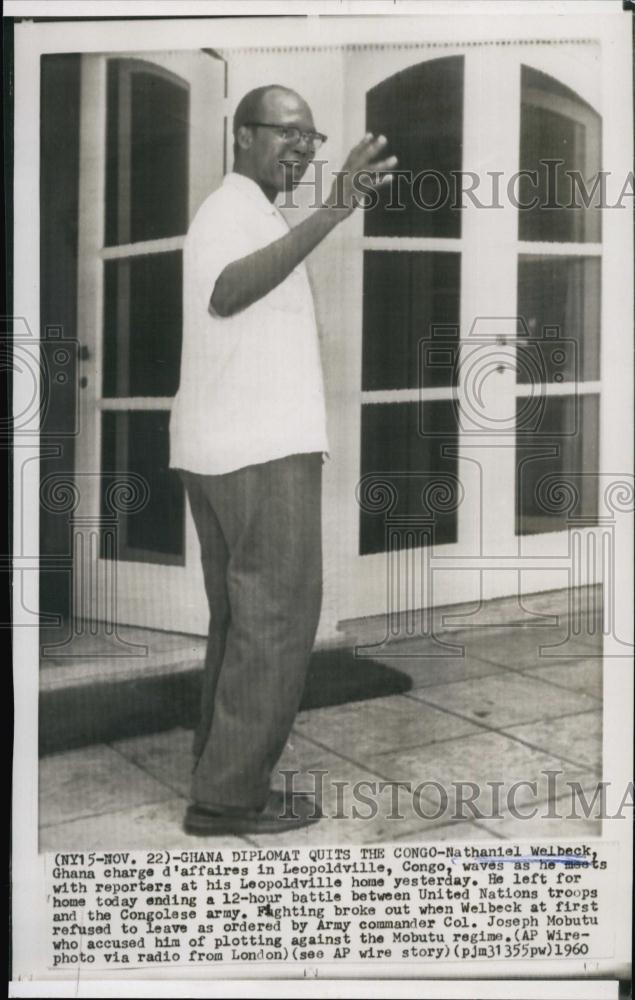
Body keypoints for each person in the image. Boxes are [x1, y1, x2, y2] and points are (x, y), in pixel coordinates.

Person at [169, 84, 396, 836]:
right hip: (258, 452)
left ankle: (219, 774)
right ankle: (230, 798)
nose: (301, 147)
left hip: (231, 447)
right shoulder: (227, 209)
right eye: (285, 134)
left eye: (311, 137)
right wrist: (333, 209)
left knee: (245, 622)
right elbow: (229, 292)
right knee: (275, 620)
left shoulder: (250, 212)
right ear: (242, 137)